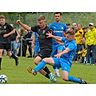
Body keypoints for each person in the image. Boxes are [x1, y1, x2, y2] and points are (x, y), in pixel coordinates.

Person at [16, 15, 56, 82]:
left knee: (36, 61)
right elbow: (28, 28)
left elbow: (54, 37)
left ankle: (50, 73)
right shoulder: (37, 28)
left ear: (45, 22)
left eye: (41, 23)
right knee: (39, 65)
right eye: (39, 23)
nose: (40, 24)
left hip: (47, 49)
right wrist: (20, 23)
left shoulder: (48, 30)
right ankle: (51, 77)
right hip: (42, 49)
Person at [49, 12, 67, 77]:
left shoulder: (63, 25)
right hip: (53, 44)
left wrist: (65, 41)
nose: (57, 17)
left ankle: (58, 70)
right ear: (54, 17)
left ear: (60, 17)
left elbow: (66, 34)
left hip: (61, 44)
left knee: (59, 56)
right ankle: (56, 69)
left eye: (58, 16)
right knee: (54, 58)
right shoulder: (51, 25)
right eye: (56, 16)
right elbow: (49, 34)